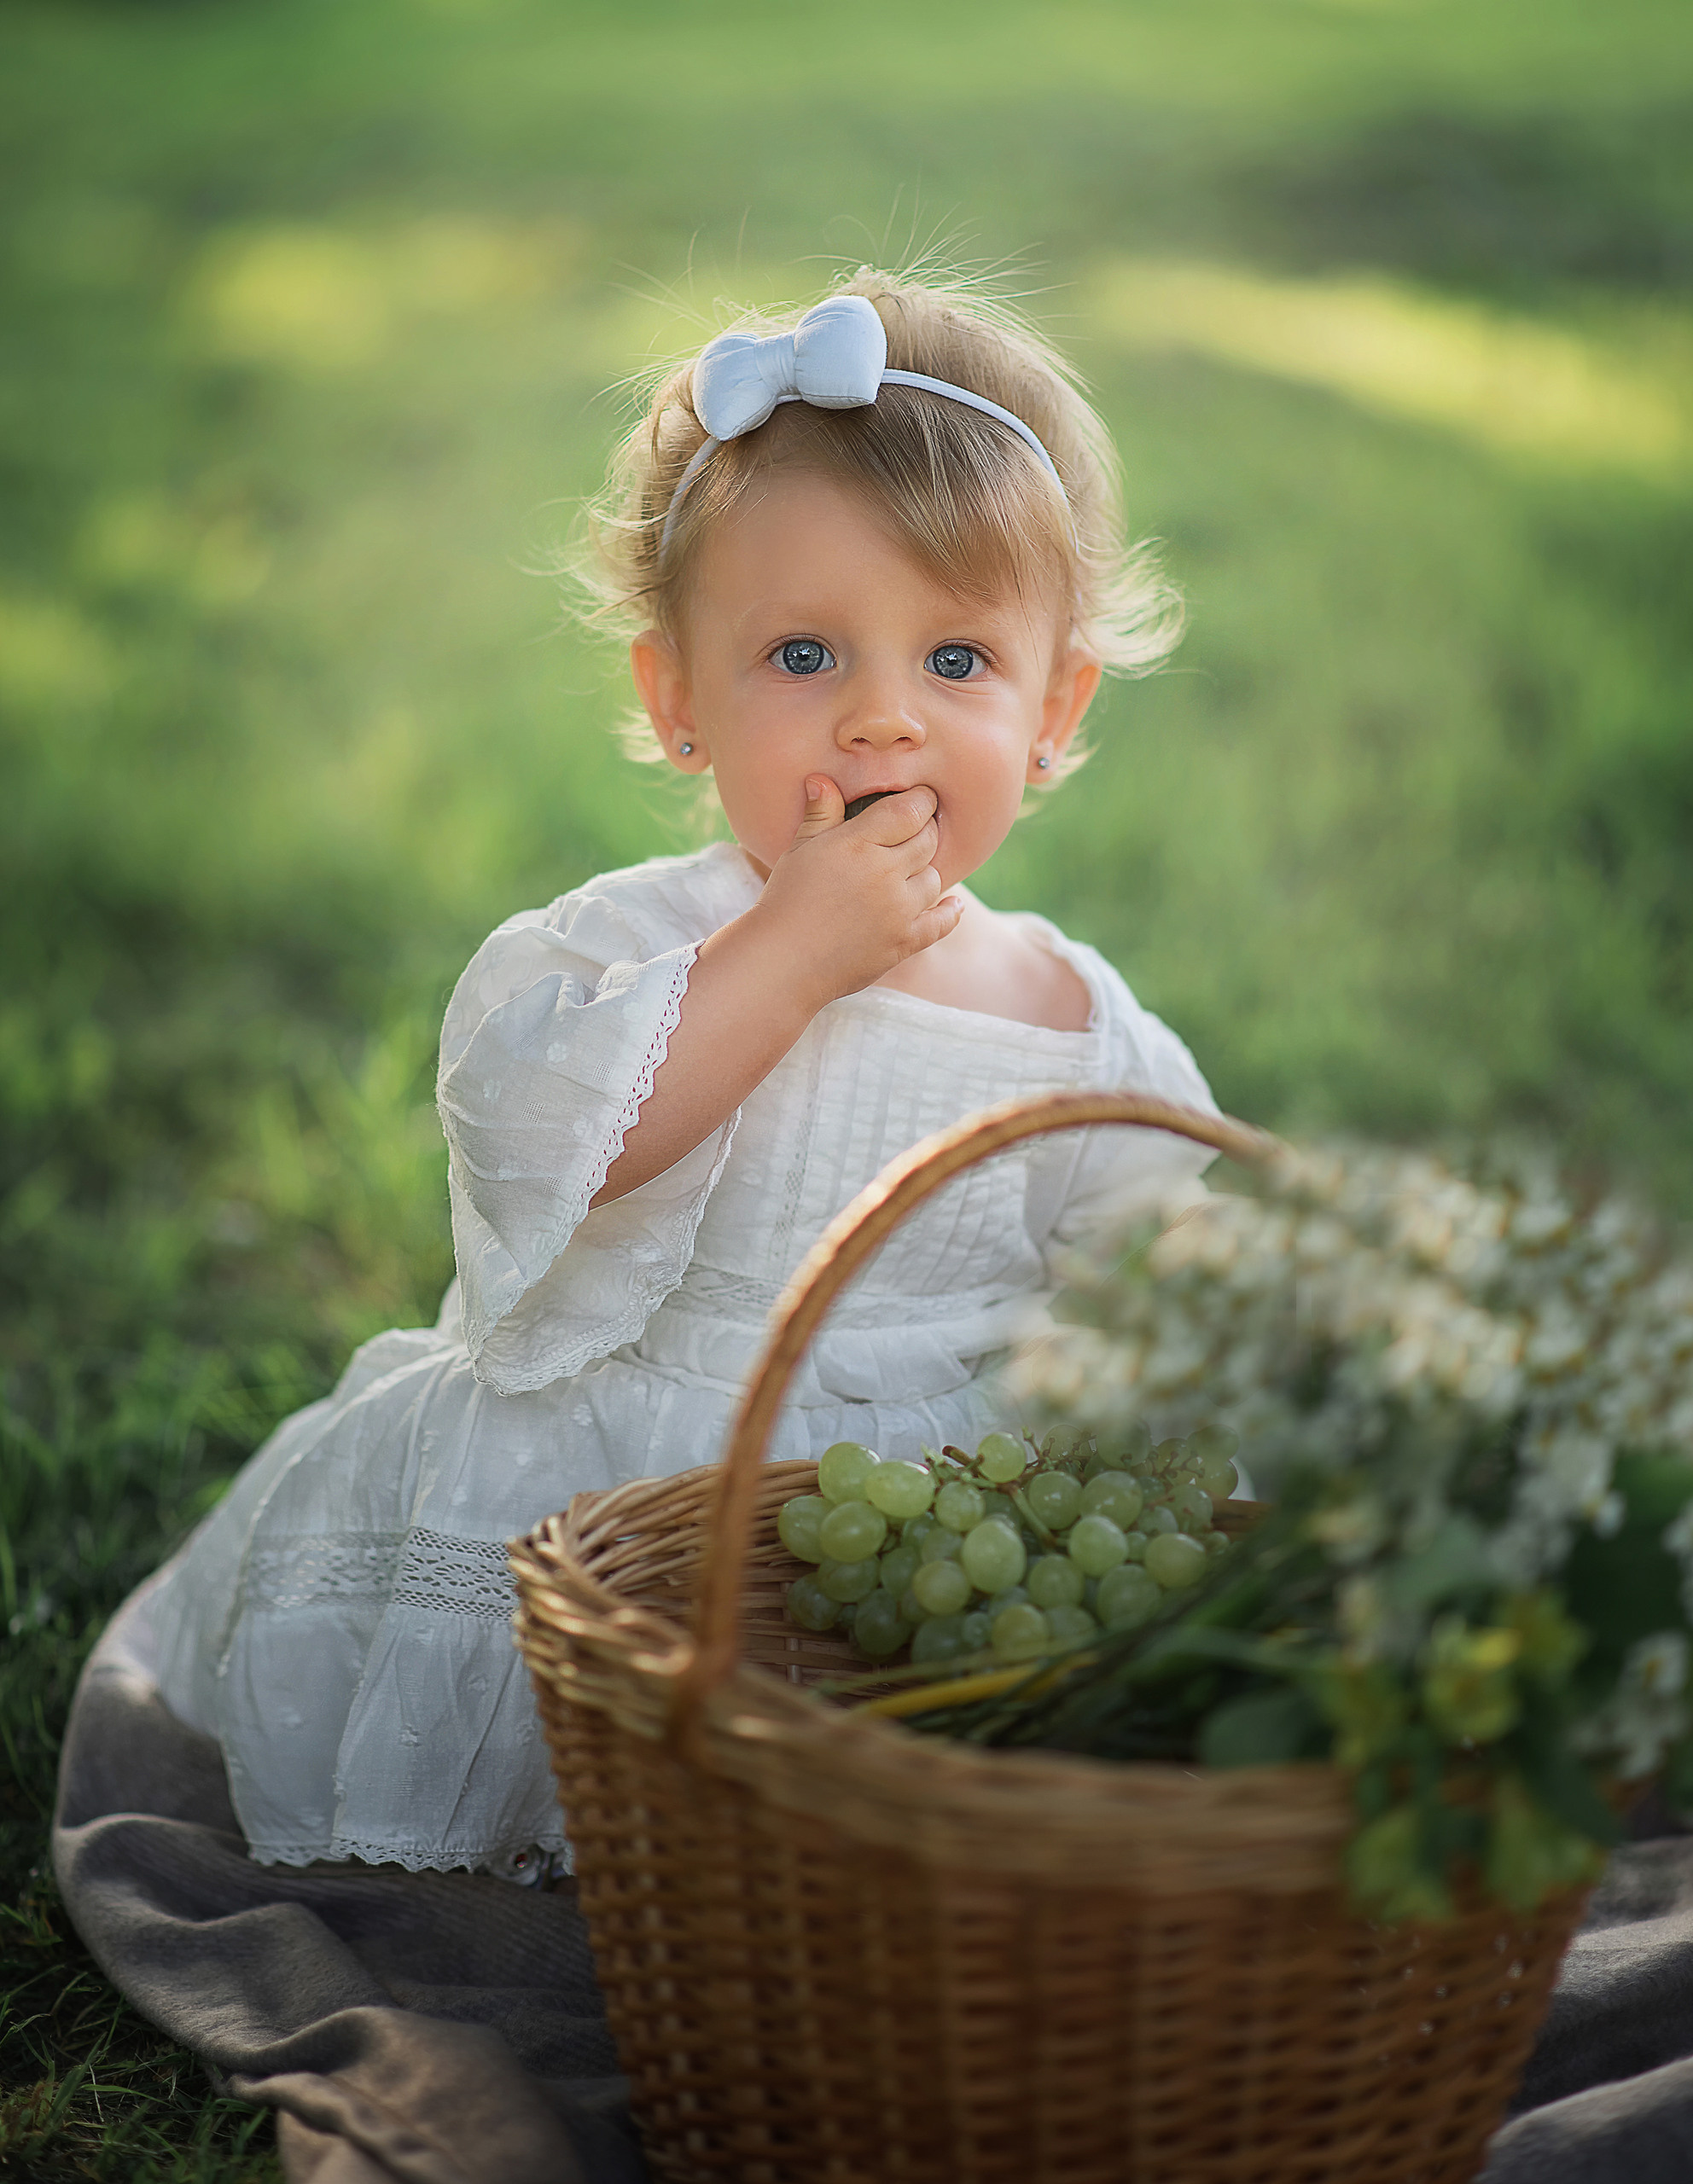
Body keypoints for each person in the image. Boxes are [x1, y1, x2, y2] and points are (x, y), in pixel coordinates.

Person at [125, 267, 1221, 1881]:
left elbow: (1167, 1269)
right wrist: (788, 953)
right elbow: (546, 1150)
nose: (880, 725)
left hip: (918, 1539)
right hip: (621, 1505)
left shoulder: (1074, 1019)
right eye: (800, 654)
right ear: (676, 699)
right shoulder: (622, 956)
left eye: (959, 665)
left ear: (1056, 711)